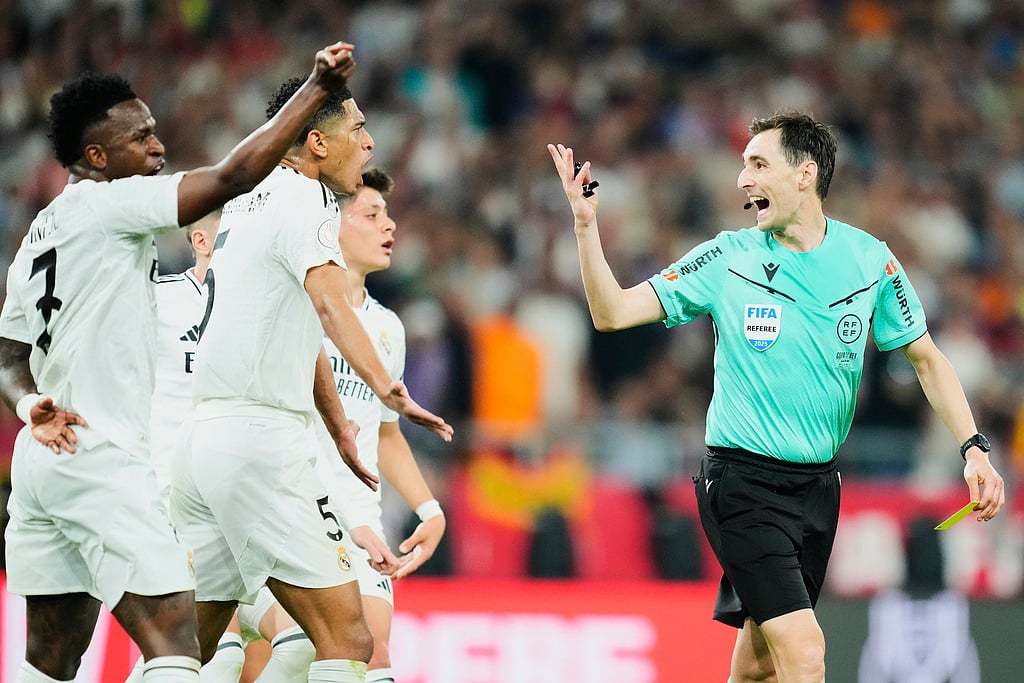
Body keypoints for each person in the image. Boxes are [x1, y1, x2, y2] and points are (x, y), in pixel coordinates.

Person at [547, 110, 1006, 683]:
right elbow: (611, 312)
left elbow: (927, 359)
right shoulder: (726, 258)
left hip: (817, 490)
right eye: (743, 165)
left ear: (805, 174)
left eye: (758, 164)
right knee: (805, 652)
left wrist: (973, 447)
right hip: (740, 484)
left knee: (759, 666)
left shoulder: (869, 261)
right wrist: (586, 227)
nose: (743, 179)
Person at [0, 42, 359, 683]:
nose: (158, 147)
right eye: (141, 138)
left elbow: (8, 353)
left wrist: (30, 405)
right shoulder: (114, 206)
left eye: (155, 131)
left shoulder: (38, 235)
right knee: (175, 641)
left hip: (42, 461)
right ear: (97, 158)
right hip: (99, 455)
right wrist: (314, 89)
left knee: (51, 660)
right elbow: (229, 178)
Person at [173, 77, 453, 683]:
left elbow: (306, 338)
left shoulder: (252, 196)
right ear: (318, 142)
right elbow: (328, 306)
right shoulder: (305, 202)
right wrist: (389, 390)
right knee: (346, 638)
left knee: (190, 651)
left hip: (206, 441)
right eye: (358, 129)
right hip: (259, 442)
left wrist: (339, 422)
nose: (371, 143)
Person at [232, 167, 447, 683]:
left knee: (370, 656)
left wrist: (430, 510)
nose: (388, 225)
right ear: (330, 225)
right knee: (283, 653)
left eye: (388, 214)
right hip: (288, 510)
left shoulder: (389, 328)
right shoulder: (293, 306)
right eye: (371, 215)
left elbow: (385, 431)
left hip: (361, 523)